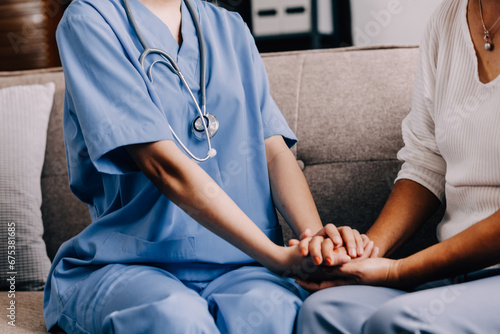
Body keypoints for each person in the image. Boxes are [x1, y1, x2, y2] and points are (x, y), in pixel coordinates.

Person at [43, 0, 371, 333]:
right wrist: (276, 257)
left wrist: (314, 246)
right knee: (175, 320)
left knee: (274, 316)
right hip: (133, 263)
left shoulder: (229, 27)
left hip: (242, 265)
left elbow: (271, 150)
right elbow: (162, 166)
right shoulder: (90, 20)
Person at [295, 0, 500, 332]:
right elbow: (425, 161)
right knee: (325, 310)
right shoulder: (447, 20)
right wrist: (362, 255)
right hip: (455, 278)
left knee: (398, 322)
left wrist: (397, 271)